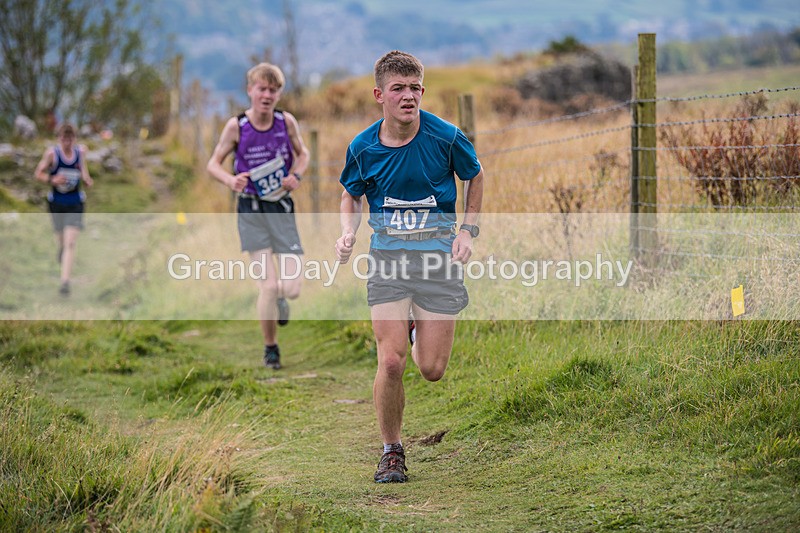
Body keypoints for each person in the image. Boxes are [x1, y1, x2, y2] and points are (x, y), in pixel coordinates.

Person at [335, 51, 484, 483]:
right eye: (398, 88)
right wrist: (348, 232)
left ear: (423, 91)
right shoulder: (363, 147)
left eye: (415, 87)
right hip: (388, 262)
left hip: (438, 260)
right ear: (379, 95)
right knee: (392, 361)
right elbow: (351, 193)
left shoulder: (446, 137)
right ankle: (391, 451)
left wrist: (466, 231)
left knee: (432, 370)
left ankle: (417, 327)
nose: (408, 96)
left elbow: (475, 175)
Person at [207, 62, 309, 370]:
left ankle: (279, 300)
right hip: (250, 208)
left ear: (279, 94)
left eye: (273, 90)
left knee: (290, 288)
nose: (266, 95)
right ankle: (271, 349)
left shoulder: (285, 122)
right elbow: (213, 163)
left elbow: (303, 153)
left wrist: (296, 176)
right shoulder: (237, 126)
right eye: (261, 89)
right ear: (250, 90)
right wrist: (230, 180)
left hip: (280, 207)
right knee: (267, 284)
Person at [34, 123, 94, 296]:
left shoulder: (80, 153)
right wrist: (52, 179)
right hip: (57, 204)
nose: (67, 142)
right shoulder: (52, 154)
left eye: (70, 139)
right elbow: (38, 173)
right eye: (63, 138)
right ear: (59, 138)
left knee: (71, 242)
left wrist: (88, 181)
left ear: (74, 139)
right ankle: (61, 250)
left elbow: (84, 172)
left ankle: (65, 282)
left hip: (75, 203)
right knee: (61, 240)